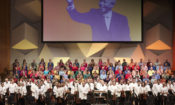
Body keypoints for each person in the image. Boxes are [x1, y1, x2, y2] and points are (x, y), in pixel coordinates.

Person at [66, 0, 130, 41]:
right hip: (97, 49)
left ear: (112, 4)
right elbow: (78, 17)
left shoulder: (122, 19)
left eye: (104, 1)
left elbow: (127, 38)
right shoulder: (94, 14)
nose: (101, 4)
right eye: (100, 1)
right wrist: (71, 5)